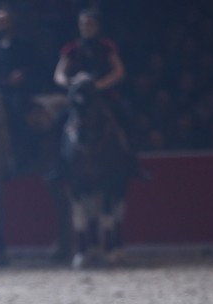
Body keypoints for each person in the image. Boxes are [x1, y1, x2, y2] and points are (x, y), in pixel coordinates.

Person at [52, 8, 145, 178]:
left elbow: (119, 72)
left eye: (90, 24)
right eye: (83, 24)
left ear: (97, 26)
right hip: (79, 100)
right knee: (57, 123)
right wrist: (72, 84)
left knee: (127, 118)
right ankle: (59, 166)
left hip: (104, 96)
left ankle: (133, 163)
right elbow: (58, 74)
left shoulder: (106, 46)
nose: (86, 27)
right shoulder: (71, 49)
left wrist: (98, 86)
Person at [0, 7, 40, 172]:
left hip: (22, 91)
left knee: (17, 111)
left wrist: (23, 74)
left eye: (4, 21)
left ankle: (27, 152)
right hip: (3, 90)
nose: (2, 25)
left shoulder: (24, 44)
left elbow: (36, 65)